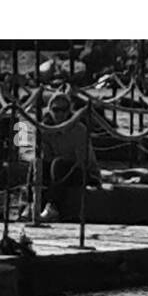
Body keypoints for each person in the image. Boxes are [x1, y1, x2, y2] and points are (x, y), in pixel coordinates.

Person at [36, 91, 102, 220]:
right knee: (37, 164)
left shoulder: (79, 129)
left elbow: (83, 162)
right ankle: (31, 204)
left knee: (58, 165)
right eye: (56, 110)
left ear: (69, 111)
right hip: (58, 169)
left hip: (84, 173)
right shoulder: (45, 130)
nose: (60, 114)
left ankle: (53, 206)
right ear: (50, 110)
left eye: (63, 110)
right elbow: (46, 157)